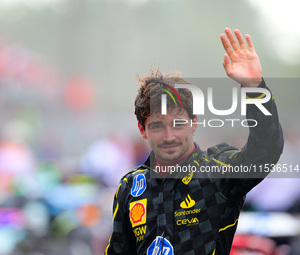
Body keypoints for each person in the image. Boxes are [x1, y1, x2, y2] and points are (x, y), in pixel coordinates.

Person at [104, 28, 284, 255]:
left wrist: (254, 86)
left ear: (194, 122)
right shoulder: (130, 187)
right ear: (143, 130)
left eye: (178, 124)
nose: (169, 136)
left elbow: (265, 150)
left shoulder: (218, 173)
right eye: (158, 126)